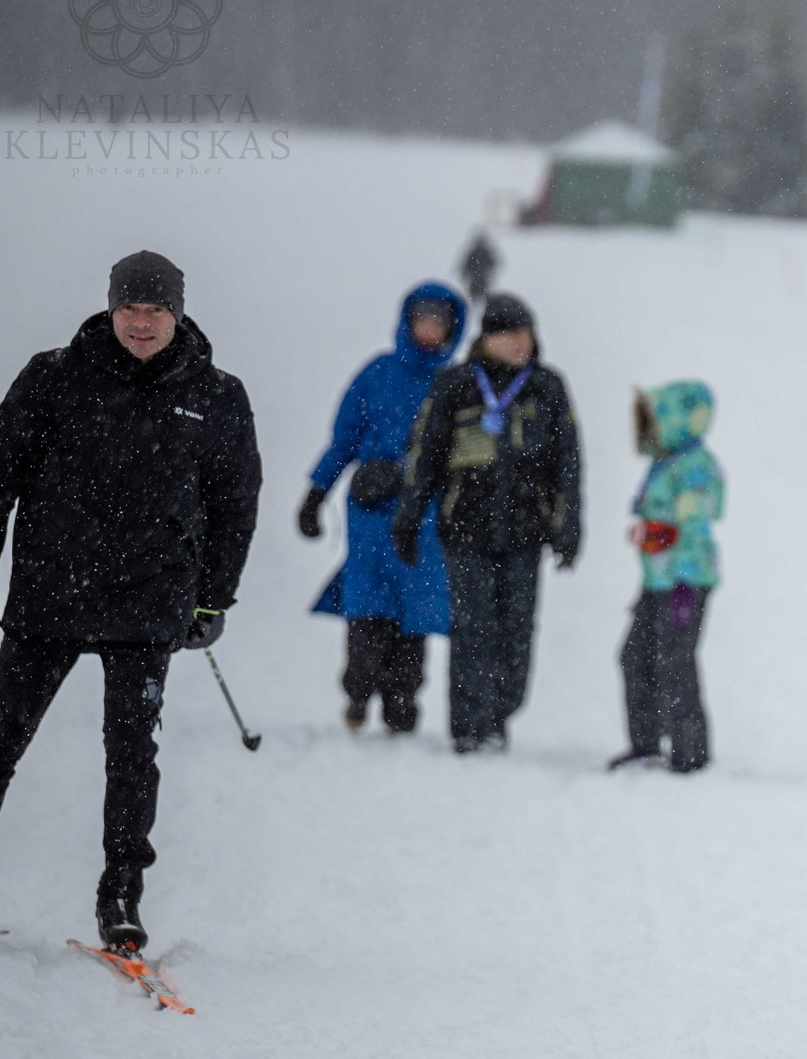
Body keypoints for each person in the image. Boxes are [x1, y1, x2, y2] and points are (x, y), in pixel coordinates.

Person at [0, 251, 262, 952]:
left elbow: (235, 504)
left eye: (155, 310)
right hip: (51, 593)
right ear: (111, 307)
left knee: (132, 755)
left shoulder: (216, 395)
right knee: (0, 738)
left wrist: (214, 598)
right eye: (129, 308)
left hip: (149, 604)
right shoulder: (54, 377)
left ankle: (120, 893)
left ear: (177, 313)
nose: (141, 323)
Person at [393, 293, 582, 753]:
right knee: (472, 627)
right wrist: (409, 517)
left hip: (526, 531)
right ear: (488, 338)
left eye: (526, 333)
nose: (521, 343)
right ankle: (469, 725)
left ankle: (500, 713)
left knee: (517, 629)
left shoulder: (547, 387)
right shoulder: (456, 385)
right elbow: (426, 455)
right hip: (466, 528)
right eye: (510, 334)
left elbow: (569, 464)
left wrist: (569, 524)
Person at [299, 283, 465, 733]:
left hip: (425, 518)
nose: (429, 329)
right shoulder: (378, 373)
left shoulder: (454, 384)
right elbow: (344, 439)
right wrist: (316, 494)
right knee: (368, 613)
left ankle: (403, 699)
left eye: (438, 323)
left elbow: (463, 452)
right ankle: (357, 691)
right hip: (371, 514)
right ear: (408, 321)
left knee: (414, 617)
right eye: (422, 319)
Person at [608, 382, 724, 775]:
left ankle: (690, 752)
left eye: (655, 422)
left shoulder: (696, 466)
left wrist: (661, 539)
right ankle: (645, 743)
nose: (648, 432)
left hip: (683, 582)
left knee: (674, 661)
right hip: (657, 580)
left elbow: (697, 519)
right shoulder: (665, 463)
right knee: (635, 657)